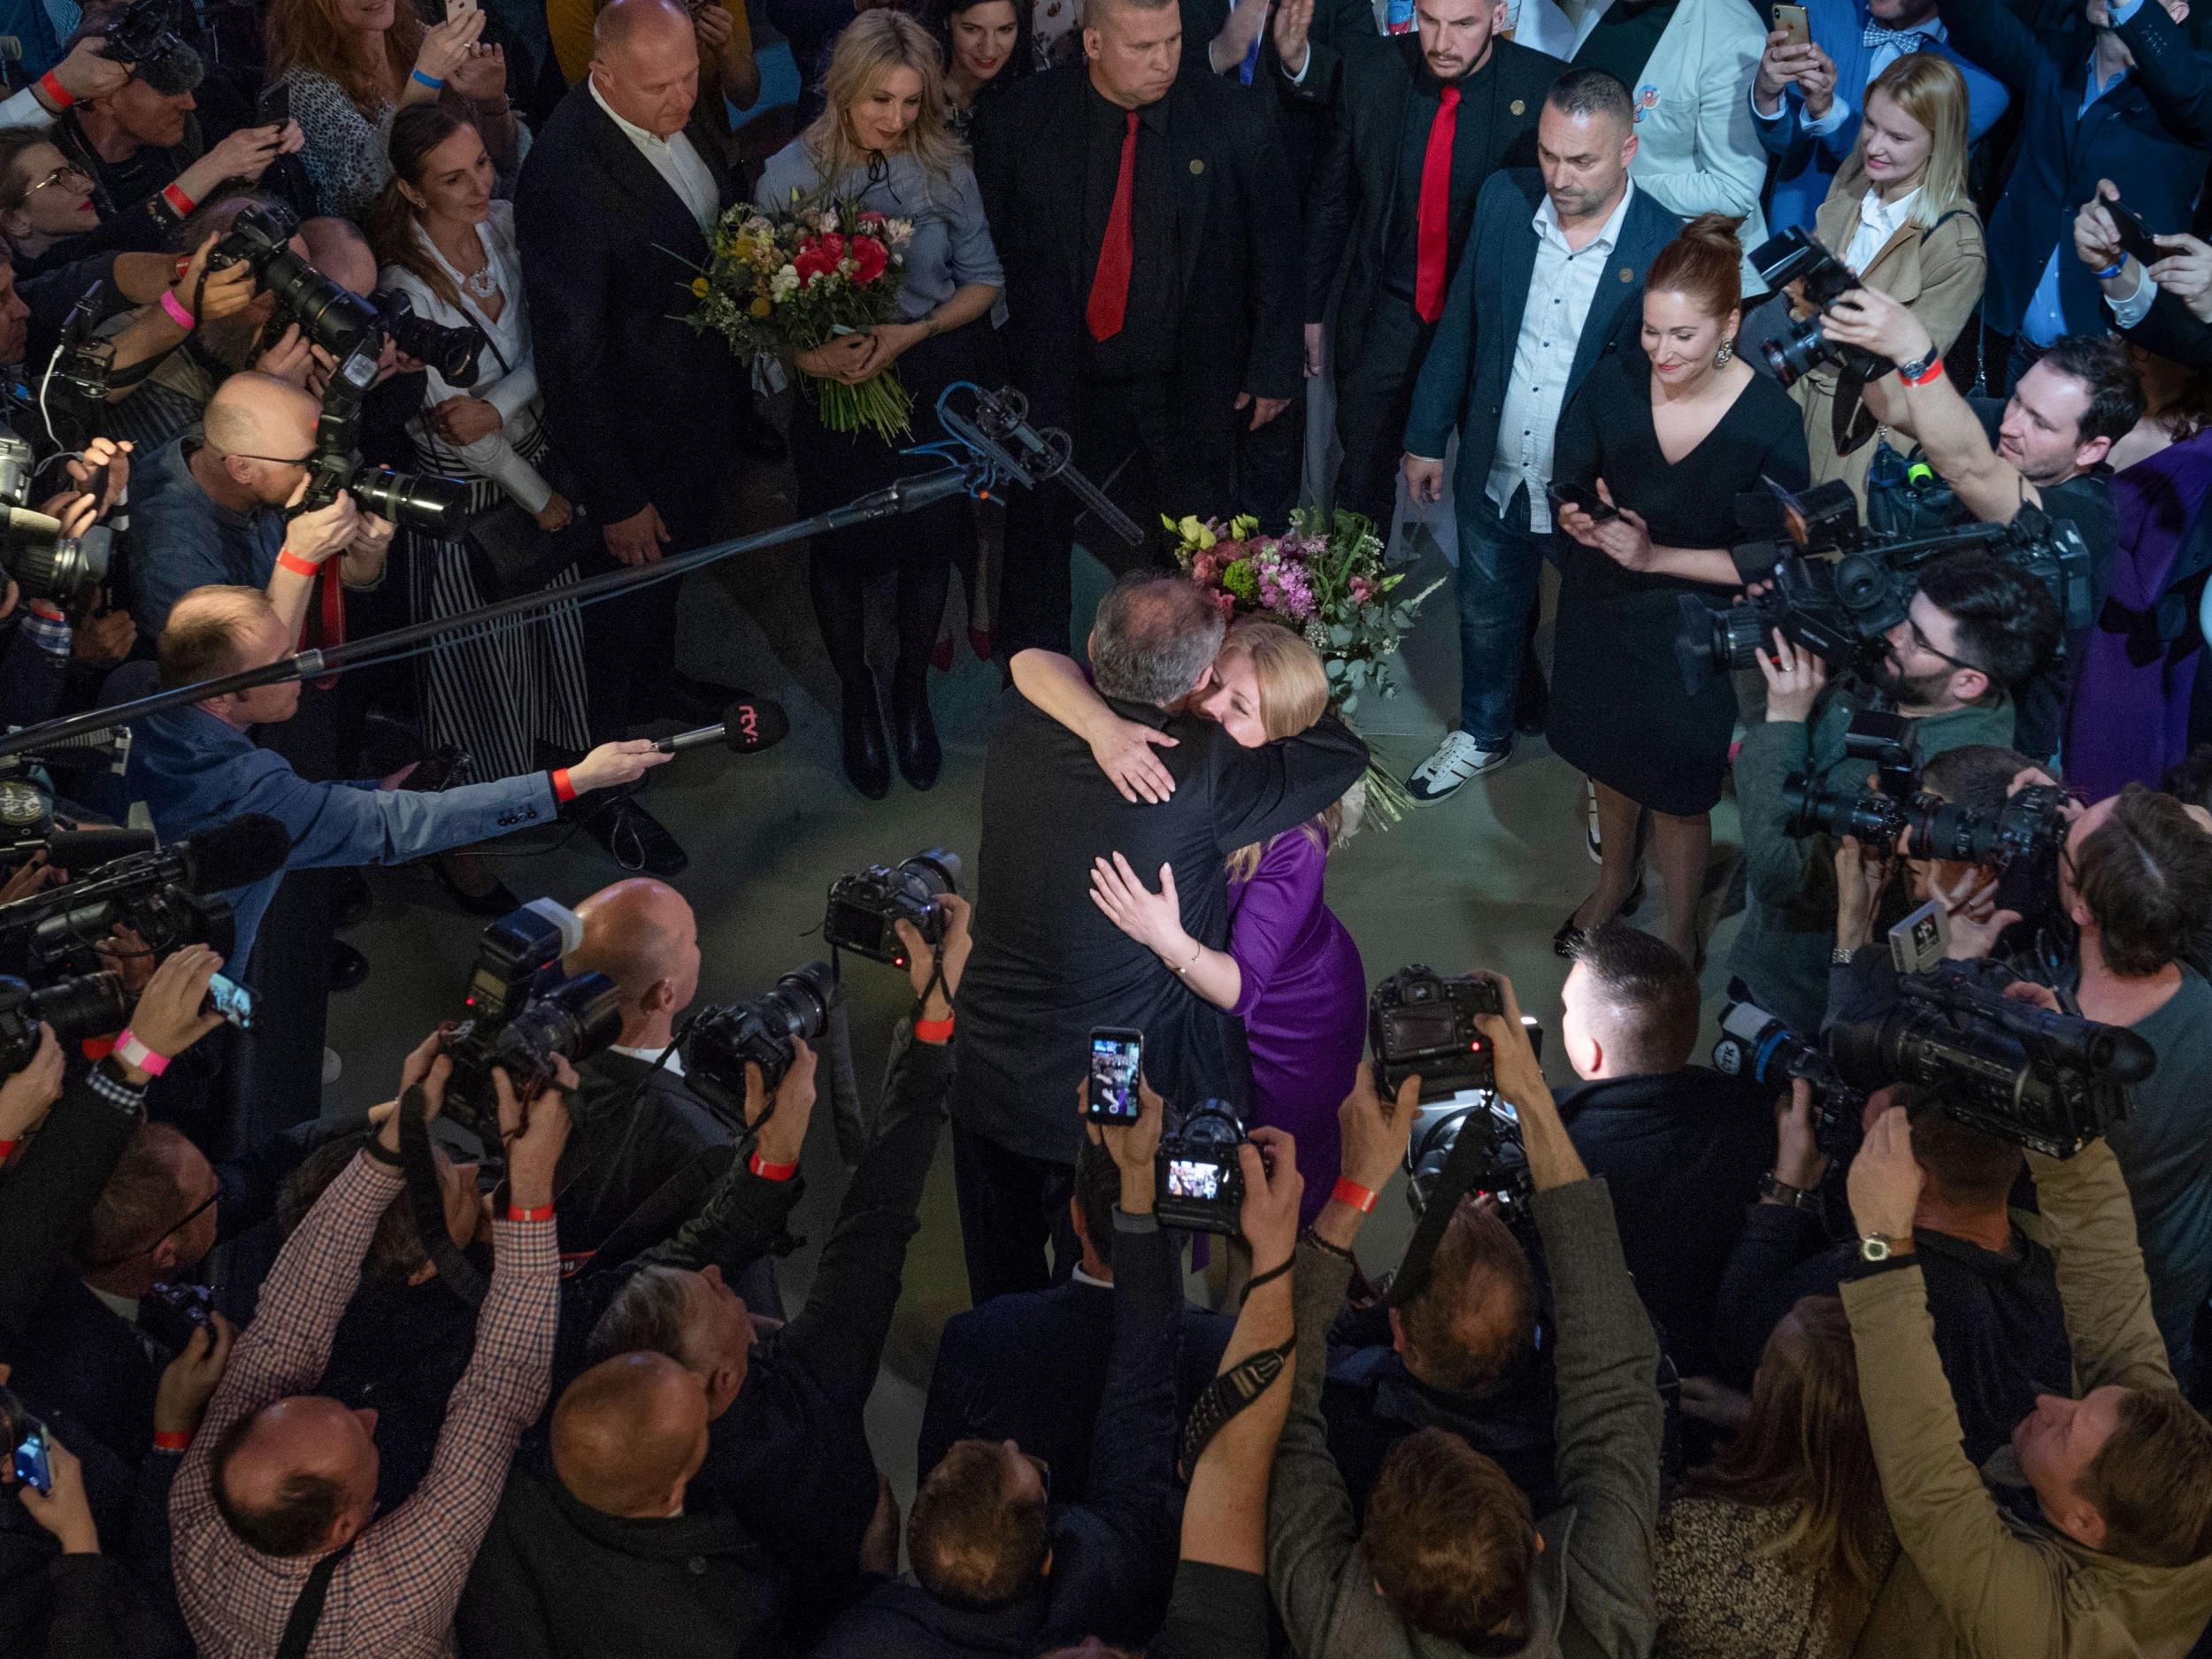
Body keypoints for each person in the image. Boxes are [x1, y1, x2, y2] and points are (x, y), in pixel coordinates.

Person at [953, 574, 1367, 1303]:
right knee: (1115, 1289)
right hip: (1101, 1094)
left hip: (986, 1067)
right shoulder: (1203, 771)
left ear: (1092, 648)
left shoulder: (1021, 724)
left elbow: (1027, 661)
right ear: (1200, 678)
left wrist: (1097, 723)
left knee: (999, 1290)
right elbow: (1343, 753)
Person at [1268, 975, 1663, 1657]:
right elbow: (1613, 1378)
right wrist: (1531, 1100)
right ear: (1537, 1538)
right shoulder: (1599, 1613)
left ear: (1380, 1585)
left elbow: (1277, 1418)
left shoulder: (1348, 1630)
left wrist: (1359, 1181)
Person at [167, 1035, 571, 1659]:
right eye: (361, 1437)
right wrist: (532, 1188)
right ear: (344, 1528)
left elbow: (289, 1318)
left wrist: (394, 1138)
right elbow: (497, 1394)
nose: (368, 1413)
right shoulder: (392, 1598)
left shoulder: (198, 1505)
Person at [810, 1067, 1187, 1656]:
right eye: (1018, 1467)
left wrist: (871, 1586)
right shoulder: (1110, 1558)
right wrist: (1139, 1177)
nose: (1010, 1444)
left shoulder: (860, 1637)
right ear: (1048, 1561)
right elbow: (1142, 1374)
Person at [971, 0, 1302, 659]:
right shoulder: (1021, 118)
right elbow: (991, 249)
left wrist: (1272, 364)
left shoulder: (1233, 117)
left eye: (1174, 41)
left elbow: (1278, 247)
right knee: (1038, 533)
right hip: (1056, 371)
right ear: (1091, 42)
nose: (1165, 61)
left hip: (1186, 376)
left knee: (1191, 536)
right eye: (1143, 46)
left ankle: (1181, 671)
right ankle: (1035, 679)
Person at [123, 585, 668, 972]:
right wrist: (573, 781)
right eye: (280, 661)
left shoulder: (134, 686)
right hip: (193, 986)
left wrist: (375, 791)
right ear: (220, 695)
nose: (302, 667)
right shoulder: (248, 786)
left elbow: (308, 806)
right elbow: (406, 825)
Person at [1399, 69, 1681, 802]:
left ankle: (1603, 782)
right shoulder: (1504, 199)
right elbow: (1460, 322)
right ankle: (1485, 735)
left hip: (1592, 491)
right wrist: (1427, 435)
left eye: (1581, 160)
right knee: (1486, 615)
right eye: (1551, 154)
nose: (1559, 176)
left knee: (1595, 640)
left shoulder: (1662, 244)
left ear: (1628, 150)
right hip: (1497, 465)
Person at [1841, 1102, 2212, 1656]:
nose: (2048, 1402)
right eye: (2077, 1406)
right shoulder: (2166, 1477)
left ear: (2085, 1522)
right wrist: (2055, 1116)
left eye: (2063, 1431)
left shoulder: (2046, 1636)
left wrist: (1881, 1242)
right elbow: (2107, 1285)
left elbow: (1930, 1487)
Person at [516, 0, 771, 806]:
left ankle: (658, 686)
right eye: (662, 85)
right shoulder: (565, 175)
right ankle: (607, 771)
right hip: (631, 439)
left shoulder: (680, 110)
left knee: (671, 578)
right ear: (603, 76)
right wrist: (618, 495)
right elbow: (570, 359)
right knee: (620, 608)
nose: (684, 98)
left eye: (692, 74)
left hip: (693, 412)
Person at [1547, 211, 1809, 959]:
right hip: (1602, 608)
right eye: (1652, 332)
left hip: (1694, 629)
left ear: (1730, 323)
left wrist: (1656, 556)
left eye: (1682, 337)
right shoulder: (1617, 378)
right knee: (1609, 763)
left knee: (1679, 791)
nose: (1659, 352)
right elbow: (1571, 468)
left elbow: (1774, 560)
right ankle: (1613, 885)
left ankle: (1679, 926)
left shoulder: (1769, 420)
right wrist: (1576, 512)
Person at [756, 11, 1002, 801]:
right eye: (879, 102)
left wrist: (912, 333)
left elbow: (985, 280)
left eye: (909, 102)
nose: (896, 120)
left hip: (925, 377)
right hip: (832, 389)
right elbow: (758, 305)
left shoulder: (944, 166)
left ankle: (908, 692)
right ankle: (858, 694)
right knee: (839, 549)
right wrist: (806, 355)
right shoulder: (784, 175)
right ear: (840, 90)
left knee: (930, 539)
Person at [365, 106, 603, 875]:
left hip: (528, 451)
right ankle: (481, 827)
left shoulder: (505, 225)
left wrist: (500, 404)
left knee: (553, 644)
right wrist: (540, 499)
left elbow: (547, 352)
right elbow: (456, 433)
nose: (478, 186)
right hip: (472, 499)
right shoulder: (405, 286)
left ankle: (558, 775)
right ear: (409, 189)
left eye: (481, 165)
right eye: (452, 178)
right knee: (482, 668)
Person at [1726, 550, 2059, 1031]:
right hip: (1767, 956)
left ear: (1969, 681)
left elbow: (1783, 876)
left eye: (1917, 638)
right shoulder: (1914, 686)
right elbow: (1792, 755)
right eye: (1907, 615)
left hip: (1806, 997)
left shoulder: (1942, 791)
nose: (1893, 634)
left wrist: (1785, 719)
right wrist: (1770, 647)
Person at [1822, 286, 2140, 757]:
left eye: (2041, 423)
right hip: (1909, 690)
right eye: (2017, 402)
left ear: (2091, 450)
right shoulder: (2004, 430)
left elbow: (1968, 468)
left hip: (1994, 745)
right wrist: (1855, 333)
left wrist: (1915, 351)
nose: (2012, 425)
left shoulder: (2085, 518)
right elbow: (1891, 406)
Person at [1291, 0, 1563, 532]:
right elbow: (1332, 200)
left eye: (1463, 24)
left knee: (1497, 490)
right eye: (1429, 20)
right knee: (1361, 477)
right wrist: (1311, 310)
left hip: (1489, 324)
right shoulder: (1371, 71)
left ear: (1500, 14)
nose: (1441, 43)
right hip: (1390, 309)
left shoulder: (1540, 89)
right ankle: (1352, 604)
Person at [1715, 1080, 2071, 1465]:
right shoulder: (2057, 1281)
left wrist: (1787, 1189)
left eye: (1874, 1144)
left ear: (1912, 1177)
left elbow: (1736, 1338)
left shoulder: (1875, 1267)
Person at [917, 1133, 1234, 1504]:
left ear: (1076, 1217)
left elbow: (938, 1507)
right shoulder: (1226, 1356)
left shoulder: (974, 1341)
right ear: (1185, 1223)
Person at [1927, 0, 2209, 391]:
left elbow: (2187, 90)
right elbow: (1973, 17)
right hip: (2007, 334)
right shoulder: (2055, 56)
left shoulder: (2195, 89)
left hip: (2106, 361)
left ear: (2175, 13)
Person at [1556, 926, 1772, 1379]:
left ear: (1589, 1051)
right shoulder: (1757, 1115)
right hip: (1723, 1369)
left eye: (1567, 1010)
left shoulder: (1553, 1148)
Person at [2058, 785, 2212, 1387]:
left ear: (2082, 910)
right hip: (2170, 1283)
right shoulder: (2203, 1005)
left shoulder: (2038, 1038)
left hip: (2067, 1297)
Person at [1652, 1295, 1896, 1659]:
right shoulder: (1883, 1522)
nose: (1755, 1376)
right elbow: (1839, 1445)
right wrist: (1752, 1414)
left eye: (1767, 1369)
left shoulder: (1688, 1537)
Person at [1789, 53, 1985, 504]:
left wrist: (1854, 311)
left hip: (1857, 431)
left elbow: (1912, 375)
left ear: (1939, 142)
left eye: (1898, 137)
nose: (1875, 146)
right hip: (1798, 390)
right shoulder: (1858, 174)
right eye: (1871, 125)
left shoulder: (1955, 245)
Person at [1318, 1194, 1557, 1517]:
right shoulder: (1562, 1387)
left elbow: (1316, 1346)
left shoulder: (1353, 1423)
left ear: (1399, 1335)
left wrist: (1386, 1307)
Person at [555, 876, 744, 1273]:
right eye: (692, 941)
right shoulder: (697, 1142)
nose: (698, 949)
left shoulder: (527, 1057)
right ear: (664, 995)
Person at [125, 370, 392, 639]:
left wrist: (367, 551)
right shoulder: (174, 557)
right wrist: (298, 560)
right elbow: (252, 670)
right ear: (241, 468)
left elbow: (337, 580)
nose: (330, 470)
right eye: (312, 461)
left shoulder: (233, 449)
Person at [1748, 0, 2007, 241]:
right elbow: (1786, 140)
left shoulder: (1984, 61)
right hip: (1798, 225)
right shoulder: (1823, 8)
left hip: (1899, 247)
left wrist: (1826, 111)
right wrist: (1767, 94)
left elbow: (1891, 156)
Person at [267, 0, 521, 222]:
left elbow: (504, 167)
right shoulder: (303, 84)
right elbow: (366, 191)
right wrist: (426, 79)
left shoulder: (417, 37)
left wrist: (492, 103)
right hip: (395, 249)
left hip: (482, 221)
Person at [933, 0, 1033, 134]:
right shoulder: (914, 89)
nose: (989, 50)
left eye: (1004, 30)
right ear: (947, 21)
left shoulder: (1032, 88)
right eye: (972, 29)